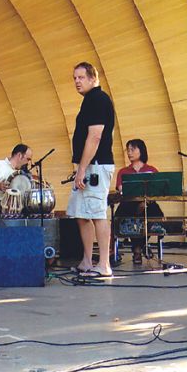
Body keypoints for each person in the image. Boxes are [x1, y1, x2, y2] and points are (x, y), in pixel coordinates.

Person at [68, 62, 115, 277]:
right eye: (75, 78)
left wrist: (82, 169)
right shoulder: (89, 101)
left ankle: (104, 264)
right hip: (86, 167)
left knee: (97, 213)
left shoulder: (98, 99)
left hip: (95, 167)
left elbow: (95, 136)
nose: (77, 81)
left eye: (81, 77)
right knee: (80, 213)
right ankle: (87, 260)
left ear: (93, 78)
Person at [114, 139, 164, 264]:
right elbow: (121, 189)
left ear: (141, 151)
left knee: (155, 216)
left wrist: (144, 203)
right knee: (124, 218)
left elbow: (157, 191)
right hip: (128, 203)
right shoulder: (123, 171)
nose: (129, 153)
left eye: (133, 149)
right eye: (128, 150)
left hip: (148, 203)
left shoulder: (152, 170)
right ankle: (138, 248)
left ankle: (138, 248)